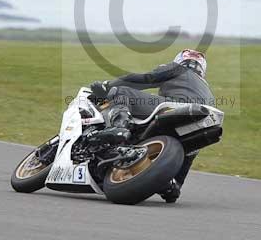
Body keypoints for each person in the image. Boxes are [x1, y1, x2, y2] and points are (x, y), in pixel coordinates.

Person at [88, 49, 215, 202]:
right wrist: (177, 183)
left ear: (180, 60)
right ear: (202, 68)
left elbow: (143, 79)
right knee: (191, 149)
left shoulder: (177, 68)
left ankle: (119, 127)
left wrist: (106, 87)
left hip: (176, 107)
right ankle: (172, 185)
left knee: (123, 92)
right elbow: (189, 155)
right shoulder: (208, 92)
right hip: (200, 120)